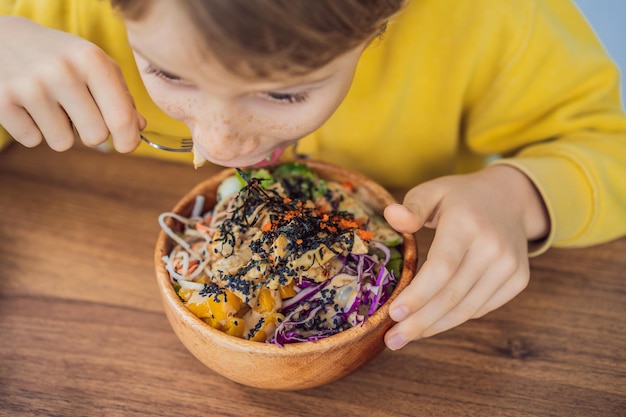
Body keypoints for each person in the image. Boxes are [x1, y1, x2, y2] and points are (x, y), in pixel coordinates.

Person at [1, 0, 625, 351]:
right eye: (167, 74)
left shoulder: (495, 19)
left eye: (283, 94)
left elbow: (607, 147)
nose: (218, 144)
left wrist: (519, 197)